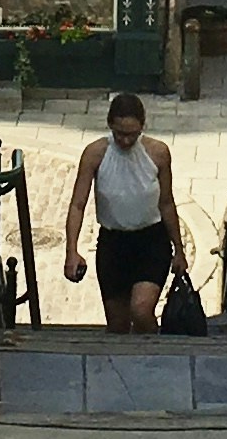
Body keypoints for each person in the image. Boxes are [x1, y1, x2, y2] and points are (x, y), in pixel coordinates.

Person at [62, 92, 185, 333]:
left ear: (142, 127)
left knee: (141, 310)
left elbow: (167, 203)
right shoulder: (95, 154)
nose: (126, 141)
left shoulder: (158, 153)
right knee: (117, 323)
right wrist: (71, 251)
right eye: (120, 133)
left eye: (132, 134)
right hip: (113, 244)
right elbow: (78, 204)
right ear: (110, 125)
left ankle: (153, 347)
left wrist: (179, 249)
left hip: (151, 241)